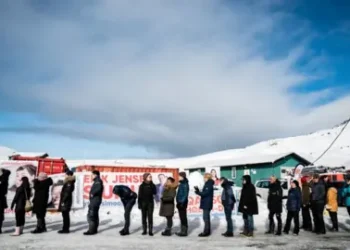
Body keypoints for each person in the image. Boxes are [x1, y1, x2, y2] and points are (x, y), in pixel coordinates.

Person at [194, 173, 214, 237]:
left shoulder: (209, 184)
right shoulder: (208, 184)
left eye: (204, 178)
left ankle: (206, 231)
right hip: (206, 202)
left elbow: (205, 193)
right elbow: (205, 192)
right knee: (206, 218)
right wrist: (198, 190)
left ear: (207, 178)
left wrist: (198, 192)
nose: (204, 179)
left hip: (207, 203)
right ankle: (207, 231)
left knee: (206, 218)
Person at [84, 170, 104, 235]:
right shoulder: (97, 181)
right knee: (94, 215)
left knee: (92, 215)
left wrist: (92, 193)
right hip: (95, 200)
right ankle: (94, 229)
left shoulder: (98, 181)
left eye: (92, 175)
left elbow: (98, 188)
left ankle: (91, 230)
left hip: (95, 200)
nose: (91, 176)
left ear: (96, 175)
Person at [176, 172, 189, 237]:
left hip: (182, 203)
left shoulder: (185, 184)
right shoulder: (181, 183)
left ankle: (184, 231)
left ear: (182, 176)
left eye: (179, 176)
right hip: (180, 202)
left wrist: (181, 202)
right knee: (181, 217)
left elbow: (185, 194)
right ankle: (182, 230)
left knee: (183, 217)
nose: (178, 177)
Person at [0, 168, 11, 234]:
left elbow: (7, 172)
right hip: (1, 201)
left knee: (0, 215)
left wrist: (2, 170)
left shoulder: (3, 180)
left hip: (1, 201)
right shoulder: (3, 180)